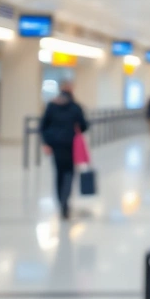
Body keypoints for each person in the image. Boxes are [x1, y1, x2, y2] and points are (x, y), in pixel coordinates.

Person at [39, 82, 89, 220]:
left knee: (59, 174)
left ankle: (61, 201)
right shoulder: (75, 107)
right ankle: (65, 203)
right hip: (70, 146)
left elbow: (43, 126)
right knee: (69, 174)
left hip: (56, 146)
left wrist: (46, 143)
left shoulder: (52, 106)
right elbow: (84, 126)